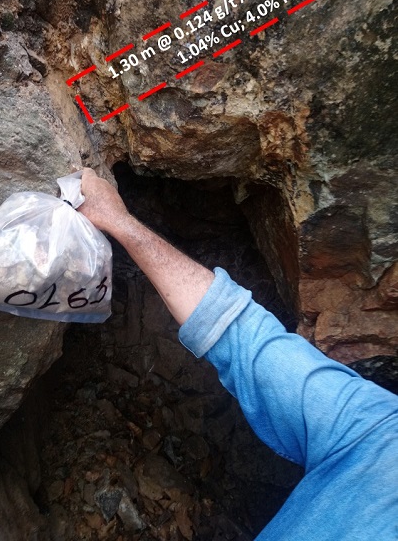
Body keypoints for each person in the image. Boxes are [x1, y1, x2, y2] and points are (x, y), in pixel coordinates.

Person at [77, 167, 398, 540]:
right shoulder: (380, 436)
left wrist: (121, 222)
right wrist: (119, 221)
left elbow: (244, 337)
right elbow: (240, 333)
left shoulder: (380, 439)